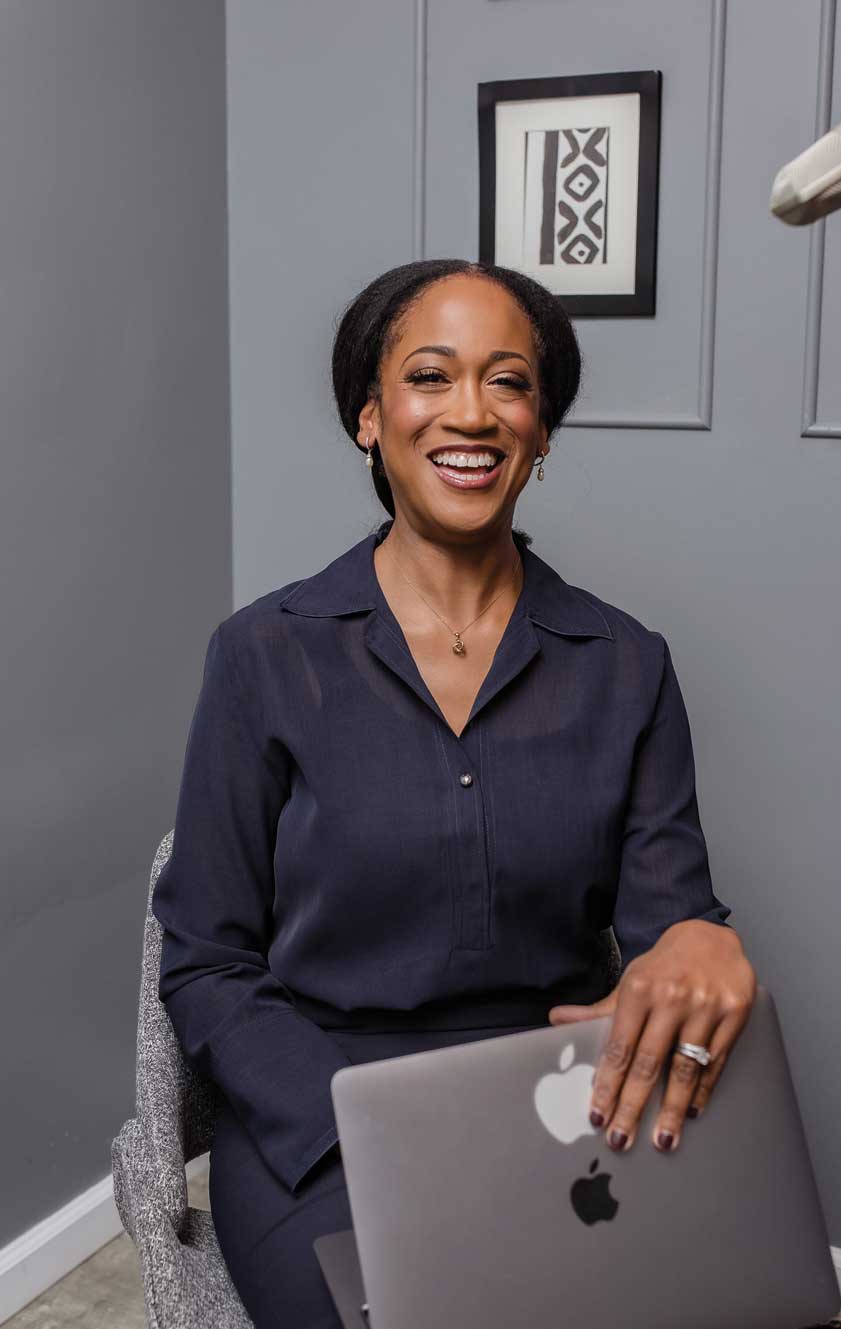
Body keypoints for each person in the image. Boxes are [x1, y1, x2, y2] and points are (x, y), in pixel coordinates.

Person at [150, 258, 758, 1328]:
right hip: (325, 1111)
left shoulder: (626, 663)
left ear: (542, 430)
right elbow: (206, 957)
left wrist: (702, 943)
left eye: (508, 382)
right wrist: (356, 1128)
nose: (470, 412)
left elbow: (673, 931)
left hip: (559, 1099)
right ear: (368, 418)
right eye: (430, 376)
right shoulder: (262, 654)